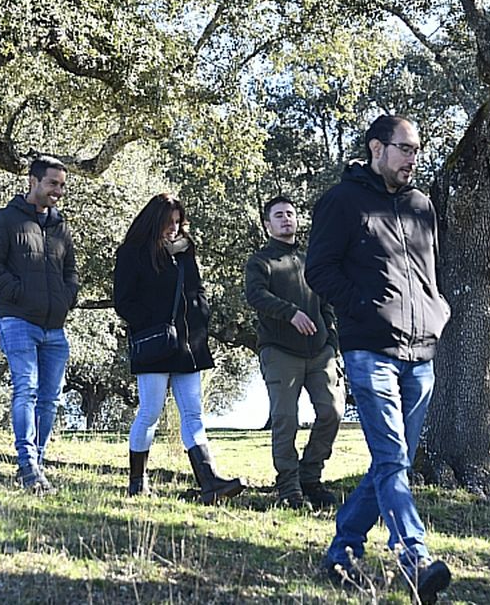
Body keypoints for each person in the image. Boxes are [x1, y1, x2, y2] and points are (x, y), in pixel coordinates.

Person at [306, 114, 452, 600]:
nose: (414, 158)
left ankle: (343, 548)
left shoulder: (421, 205)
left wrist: (437, 310)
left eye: (417, 149)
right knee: (391, 456)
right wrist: (365, 311)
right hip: (371, 349)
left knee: (397, 460)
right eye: (405, 148)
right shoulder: (341, 201)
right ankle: (413, 554)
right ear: (376, 148)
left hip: (422, 350)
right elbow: (319, 271)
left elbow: (431, 271)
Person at [114, 193, 244, 504]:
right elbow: (124, 301)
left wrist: (201, 319)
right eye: (167, 222)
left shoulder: (186, 253)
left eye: (177, 222)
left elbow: (196, 292)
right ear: (154, 221)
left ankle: (209, 481)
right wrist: (153, 325)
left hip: (190, 345)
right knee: (150, 412)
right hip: (155, 344)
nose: (173, 228)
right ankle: (137, 482)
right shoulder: (133, 253)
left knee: (193, 414)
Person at [0, 154, 79, 492]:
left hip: (55, 326)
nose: (58, 191)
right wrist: (20, 293)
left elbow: (71, 272)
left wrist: (67, 298)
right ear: (32, 182)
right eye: (53, 183)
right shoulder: (4, 220)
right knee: (27, 388)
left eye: (62, 185)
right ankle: (27, 465)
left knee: (50, 398)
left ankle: (38, 463)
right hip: (17, 319)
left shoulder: (61, 227)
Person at [245, 194, 342, 510]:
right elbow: (256, 296)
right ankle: (288, 488)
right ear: (267, 224)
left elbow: (326, 302)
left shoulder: (311, 259)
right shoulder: (260, 261)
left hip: (319, 352)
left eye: (290, 213)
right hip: (279, 351)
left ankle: (309, 478)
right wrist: (290, 313)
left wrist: (332, 342)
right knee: (286, 419)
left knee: (331, 412)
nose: (286, 219)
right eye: (278, 215)